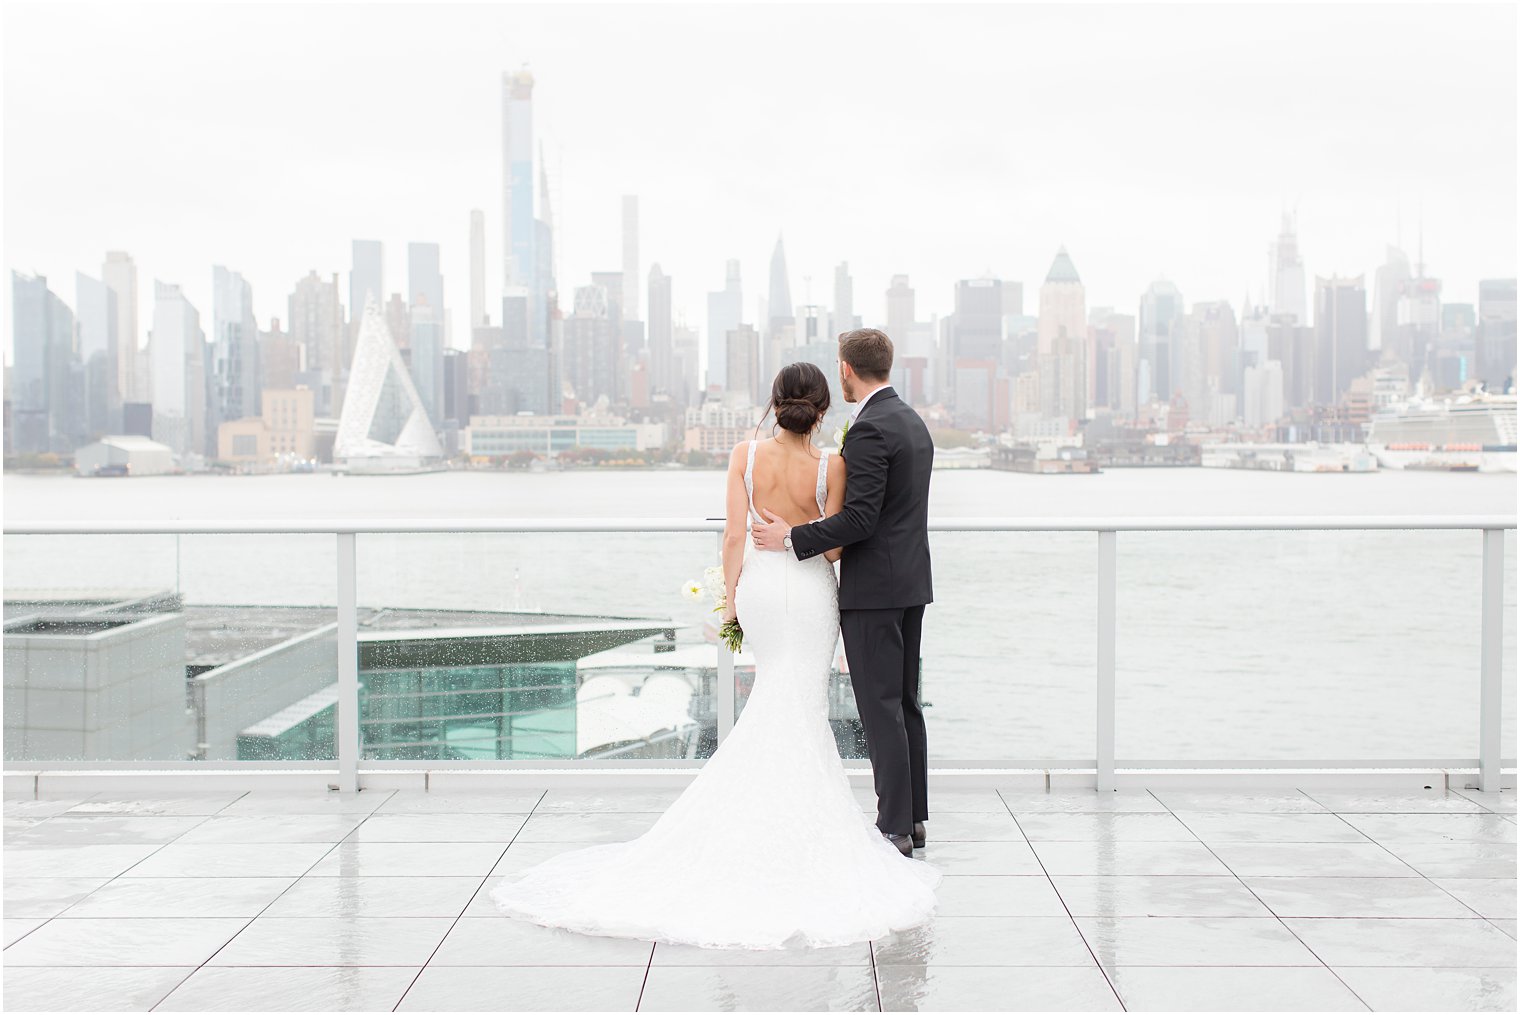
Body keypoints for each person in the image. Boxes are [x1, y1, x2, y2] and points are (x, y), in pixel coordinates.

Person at [489, 359, 939, 949]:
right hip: (808, 593)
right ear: (823, 410)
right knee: (799, 699)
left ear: (774, 403)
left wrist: (731, 603)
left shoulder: (743, 455)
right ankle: (808, 820)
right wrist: (798, 539)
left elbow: (732, 535)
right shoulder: (834, 463)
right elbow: (836, 549)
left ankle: (750, 816)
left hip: (758, 590)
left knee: (774, 693)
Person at [752, 328, 934, 855]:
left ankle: (894, 828)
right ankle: (915, 819)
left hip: (874, 588)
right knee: (904, 703)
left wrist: (792, 537)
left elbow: (860, 518)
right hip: (909, 582)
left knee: (880, 708)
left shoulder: (871, 429)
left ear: (848, 370)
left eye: (840, 367)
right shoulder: (911, 421)